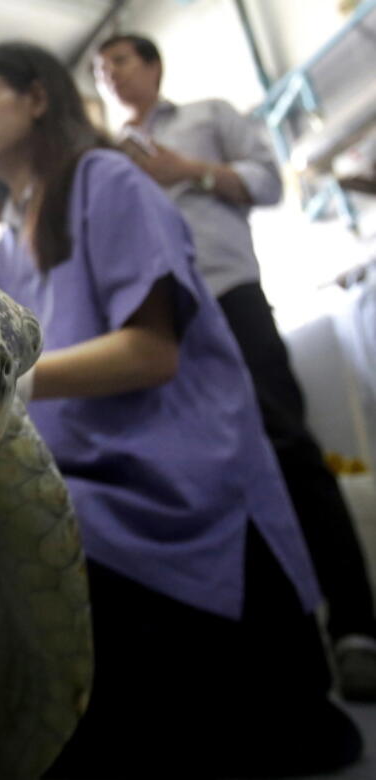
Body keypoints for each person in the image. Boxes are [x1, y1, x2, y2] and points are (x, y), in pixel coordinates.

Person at [0, 41, 362, 777]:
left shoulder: (105, 181)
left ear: (39, 96)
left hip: (172, 485)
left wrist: (11, 381)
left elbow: (152, 352)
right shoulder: (12, 245)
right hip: (86, 485)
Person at [94, 32, 376, 701]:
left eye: (120, 63)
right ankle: (261, 650)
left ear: (154, 66)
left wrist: (185, 170)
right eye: (101, 72)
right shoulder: (103, 158)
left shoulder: (209, 115)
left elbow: (267, 183)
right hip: (150, 314)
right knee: (185, 467)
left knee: (286, 446)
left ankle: (358, 629)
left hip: (227, 292)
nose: (110, 77)